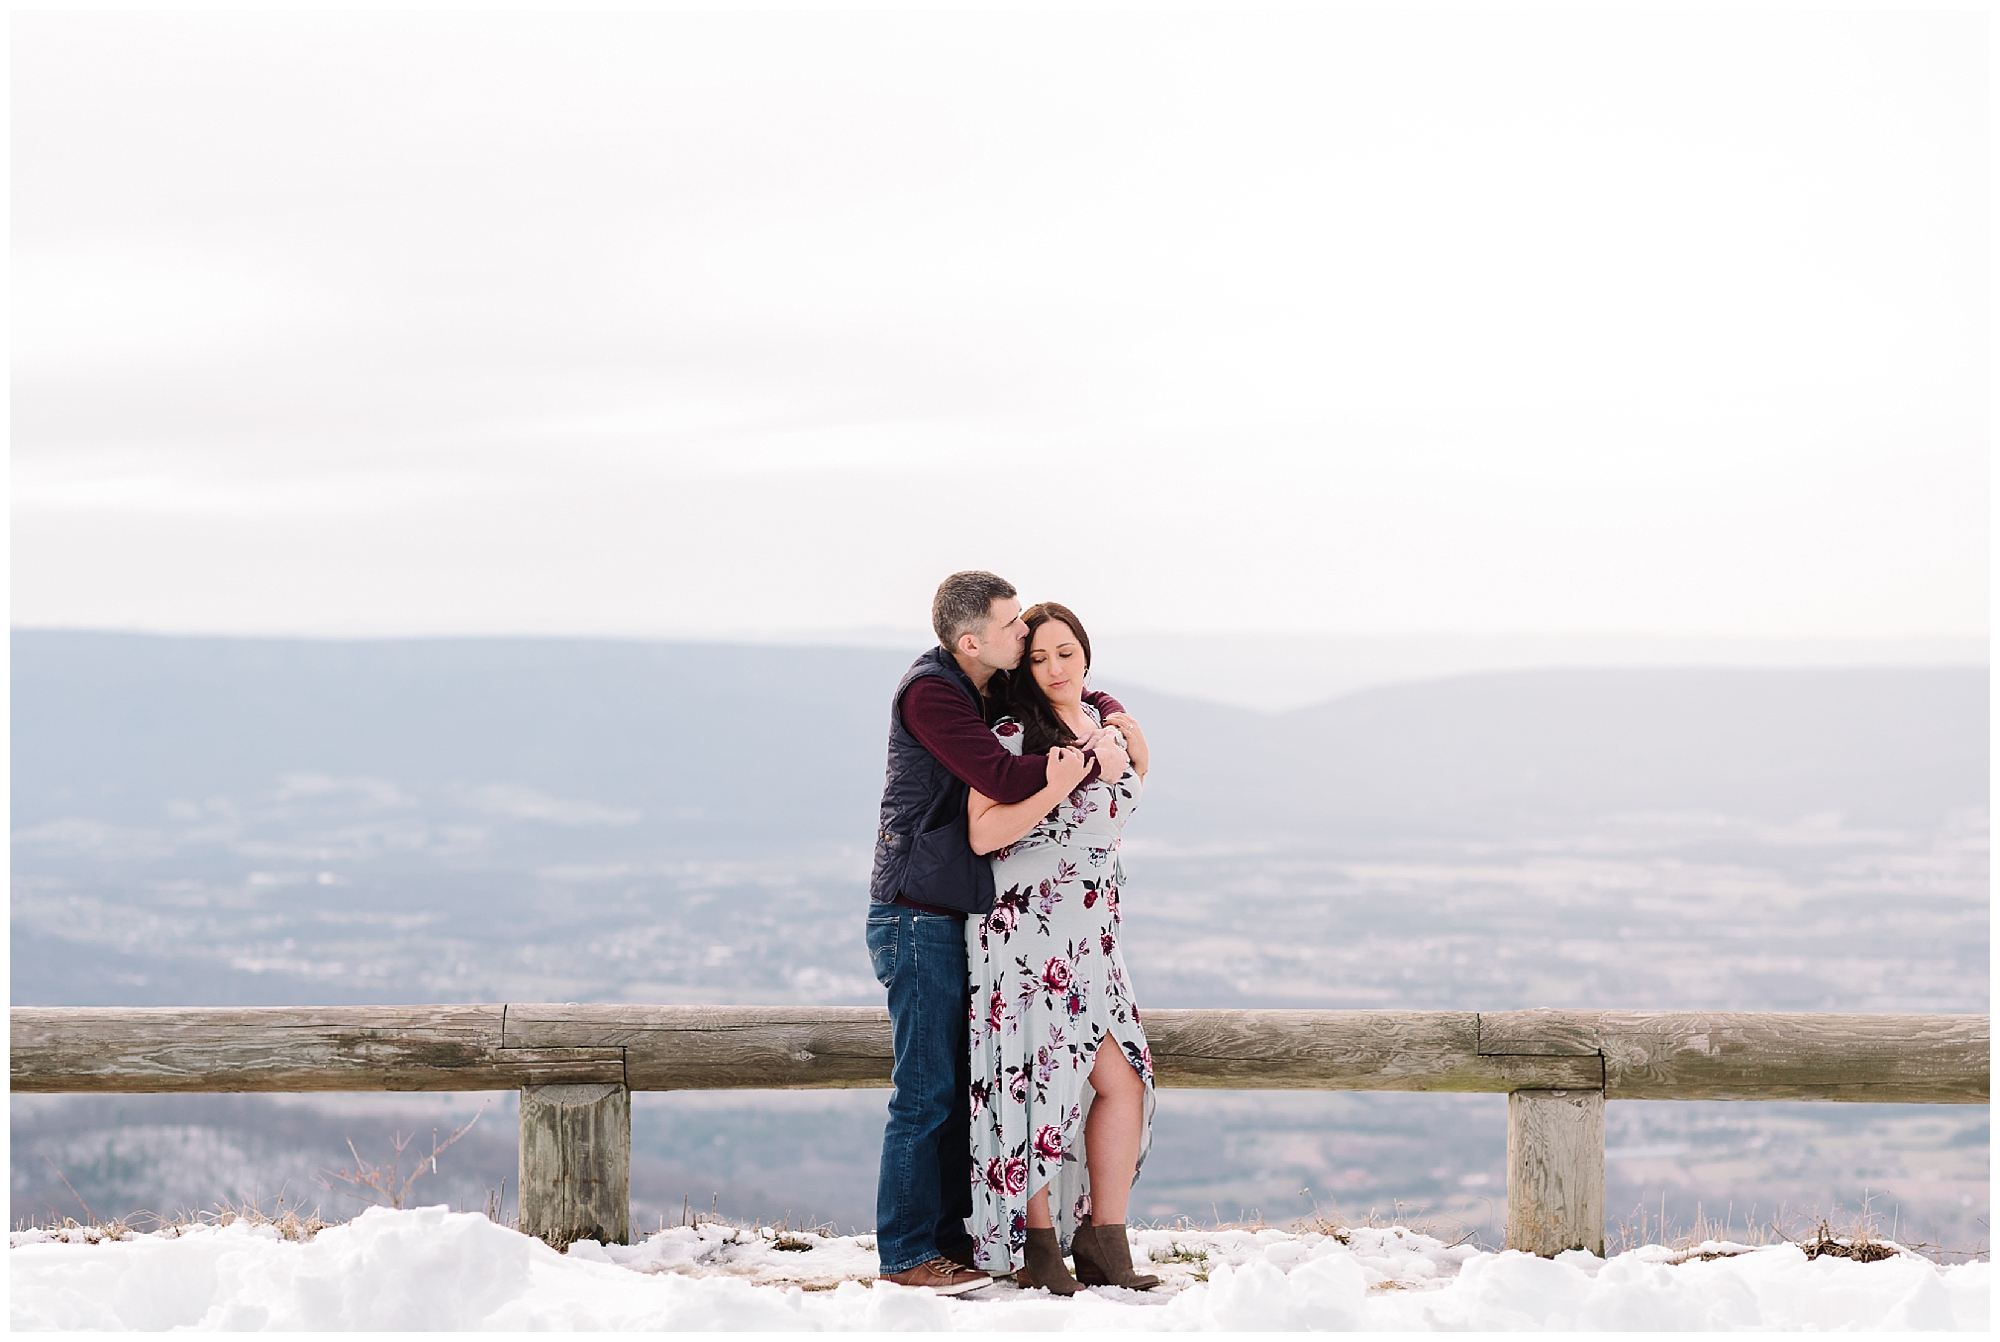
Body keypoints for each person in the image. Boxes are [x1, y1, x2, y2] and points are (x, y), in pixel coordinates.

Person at [867, 572, 1134, 1294]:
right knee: (925, 1093)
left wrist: (1103, 710)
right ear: (970, 640)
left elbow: (1060, 696)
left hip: (954, 911)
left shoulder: (980, 684)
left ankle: (955, 1242)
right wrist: (1087, 763)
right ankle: (905, 1256)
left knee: (962, 1084)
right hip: (915, 911)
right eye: (1015, 626)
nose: (1025, 636)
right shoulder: (933, 694)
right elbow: (1001, 776)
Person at [963, 601, 1159, 1294]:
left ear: (1086, 654)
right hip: (1026, 936)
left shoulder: (1105, 727)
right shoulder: (1012, 733)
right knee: (1034, 1087)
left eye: (1065, 653)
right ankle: (1036, 1244)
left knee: (1122, 1080)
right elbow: (985, 835)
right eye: (1038, 657)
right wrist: (1066, 778)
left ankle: (1105, 1243)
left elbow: (1108, 823)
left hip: (1095, 939)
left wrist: (1136, 760)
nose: (1052, 669)